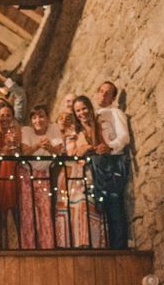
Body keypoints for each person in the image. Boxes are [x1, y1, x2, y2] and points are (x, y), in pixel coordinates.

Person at [54, 97, 106, 248]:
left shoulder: (98, 126)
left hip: (93, 172)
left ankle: (95, 243)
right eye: (78, 110)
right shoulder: (73, 131)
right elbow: (72, 152)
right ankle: (79, 243)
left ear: (90, 108)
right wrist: (87, 148)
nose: (82, 113)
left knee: (92, 206)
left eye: (84, 108)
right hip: (75, 175)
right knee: (79, 206)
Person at [19, 105, 62, 249]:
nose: (38, 120)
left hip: (45, 174)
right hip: (27, 174)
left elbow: (59, 152)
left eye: (41, 116)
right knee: (28, 213)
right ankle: (28, 248)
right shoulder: (26, 130)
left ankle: (48, 246)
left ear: (47, 118)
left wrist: (49, 147)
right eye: (34, 117)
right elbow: (24, 152)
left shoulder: (53, 129)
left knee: (45, 211)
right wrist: (38, 145)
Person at [93, 81, 131, 249]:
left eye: (107, 93)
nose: (103, 95)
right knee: (102, 203)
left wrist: (110, 147)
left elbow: (124, 137)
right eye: (101, 91)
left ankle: (119, 244)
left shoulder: (115, 112)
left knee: (114, 201)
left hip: (114, 160)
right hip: (100, 162)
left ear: (113, 98)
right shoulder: (94, 115)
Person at [0, 102, 22, 249]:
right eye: (2, 115)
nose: (5, 118)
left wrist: (15, 147)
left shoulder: (16, 131)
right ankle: (3, 247)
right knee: (2, 213)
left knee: (18, 210)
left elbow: (20, 151)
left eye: (8, 115)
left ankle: (19, 246)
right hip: (1, 171)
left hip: (16, 170)